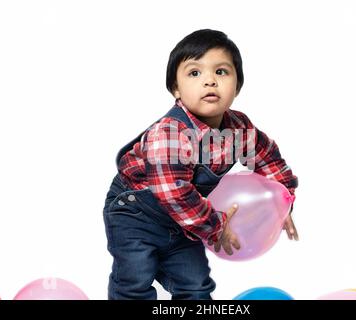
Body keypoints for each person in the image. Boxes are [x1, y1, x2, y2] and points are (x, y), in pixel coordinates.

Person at [102, 29, 299, 300]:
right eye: (195, 73)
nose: (209, 81)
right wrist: (215, 227)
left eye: (221, 72)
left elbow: (268, 158)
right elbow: (173, 192)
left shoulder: (239, 127)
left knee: (195, 285)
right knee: (135, 279)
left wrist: (282, 202)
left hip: (189, 220)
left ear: (238, 86)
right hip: (136, 215)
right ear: (176, 89)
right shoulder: (170, 133)